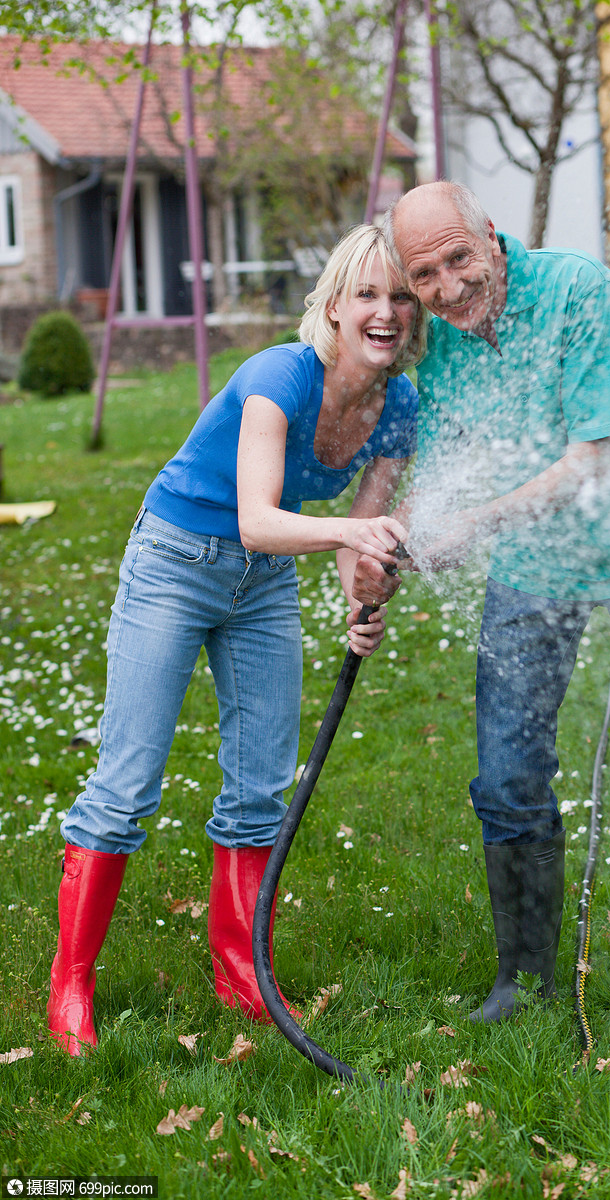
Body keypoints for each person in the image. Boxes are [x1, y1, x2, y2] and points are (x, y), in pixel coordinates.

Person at [354, 181, 610, 1055]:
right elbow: (442, 473)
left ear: (491, 238)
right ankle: (520, 980)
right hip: (535, 567)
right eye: (427, 275)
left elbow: (590, 464)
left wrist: (471, 525)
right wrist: (391, 553)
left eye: (459, 258)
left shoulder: (578, 292)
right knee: (508, 777)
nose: (450, 286)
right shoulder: (441, 349)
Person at [47, 225, 426, 1057]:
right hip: (178, 558)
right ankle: (71, 983)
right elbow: (258, 520)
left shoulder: (400, 407)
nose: (385, 311)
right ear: (332, 305)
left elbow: (360, 532)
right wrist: (349, 541)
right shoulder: (277, 377)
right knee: (128, 783)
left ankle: (239, 972)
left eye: (401, 296)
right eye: (366, 293)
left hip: (265, 584)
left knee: (259, 786)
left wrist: (364, 598)